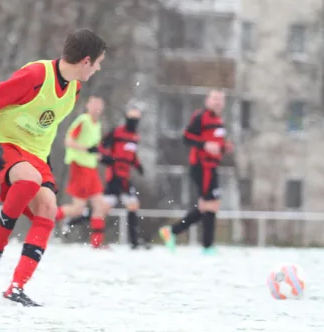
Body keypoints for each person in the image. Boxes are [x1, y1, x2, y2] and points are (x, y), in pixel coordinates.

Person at [0, 29, 107, 306]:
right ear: (85, 61)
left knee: (48, 206)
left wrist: (46, 167)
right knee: (29, 180)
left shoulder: (74, 89)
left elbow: (44, 131)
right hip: (3, 144)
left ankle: (16, 288)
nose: (98, 68)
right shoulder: (35, 76)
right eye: (98, 62)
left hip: (35, 156)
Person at [63, 102, 149, 249]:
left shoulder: (135, 137)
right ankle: (133, 242)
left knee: (107, 208)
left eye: (137, 119)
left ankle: (75, 221)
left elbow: (132, 155)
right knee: (114, 206)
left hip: (125, 176)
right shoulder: (117, 132)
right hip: (114, 176)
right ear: (126, 117)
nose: (134, 122)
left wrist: (138, 165)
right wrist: (106, 159)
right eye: (132, 118)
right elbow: (102, 147)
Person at [159, 90, 233, 255]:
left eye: (221, 99)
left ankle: (172, 231)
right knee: (211, 205)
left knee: (206, 206)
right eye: (215, 99)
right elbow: (186, 137)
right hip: (201, 166)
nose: (218, 102)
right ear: (208, 100)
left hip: (211, 166)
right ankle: (207, 246)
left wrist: (223, 147)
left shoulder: (219, 120)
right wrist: (204, 145)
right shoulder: (200, 116)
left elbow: (215, 143)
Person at [55, 96, 107, 248]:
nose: (97, 107)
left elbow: (94, 148)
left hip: (91, 168)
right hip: (79, 166)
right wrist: (86, 149)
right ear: (87, 105)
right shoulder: (83, 120)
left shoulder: (97, 124)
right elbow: (68, 141)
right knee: (78, 208)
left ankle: (97, 244)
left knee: (100, 205)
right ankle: (46, 216)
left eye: (100, 104)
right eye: (94, 104)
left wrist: (102, 157)